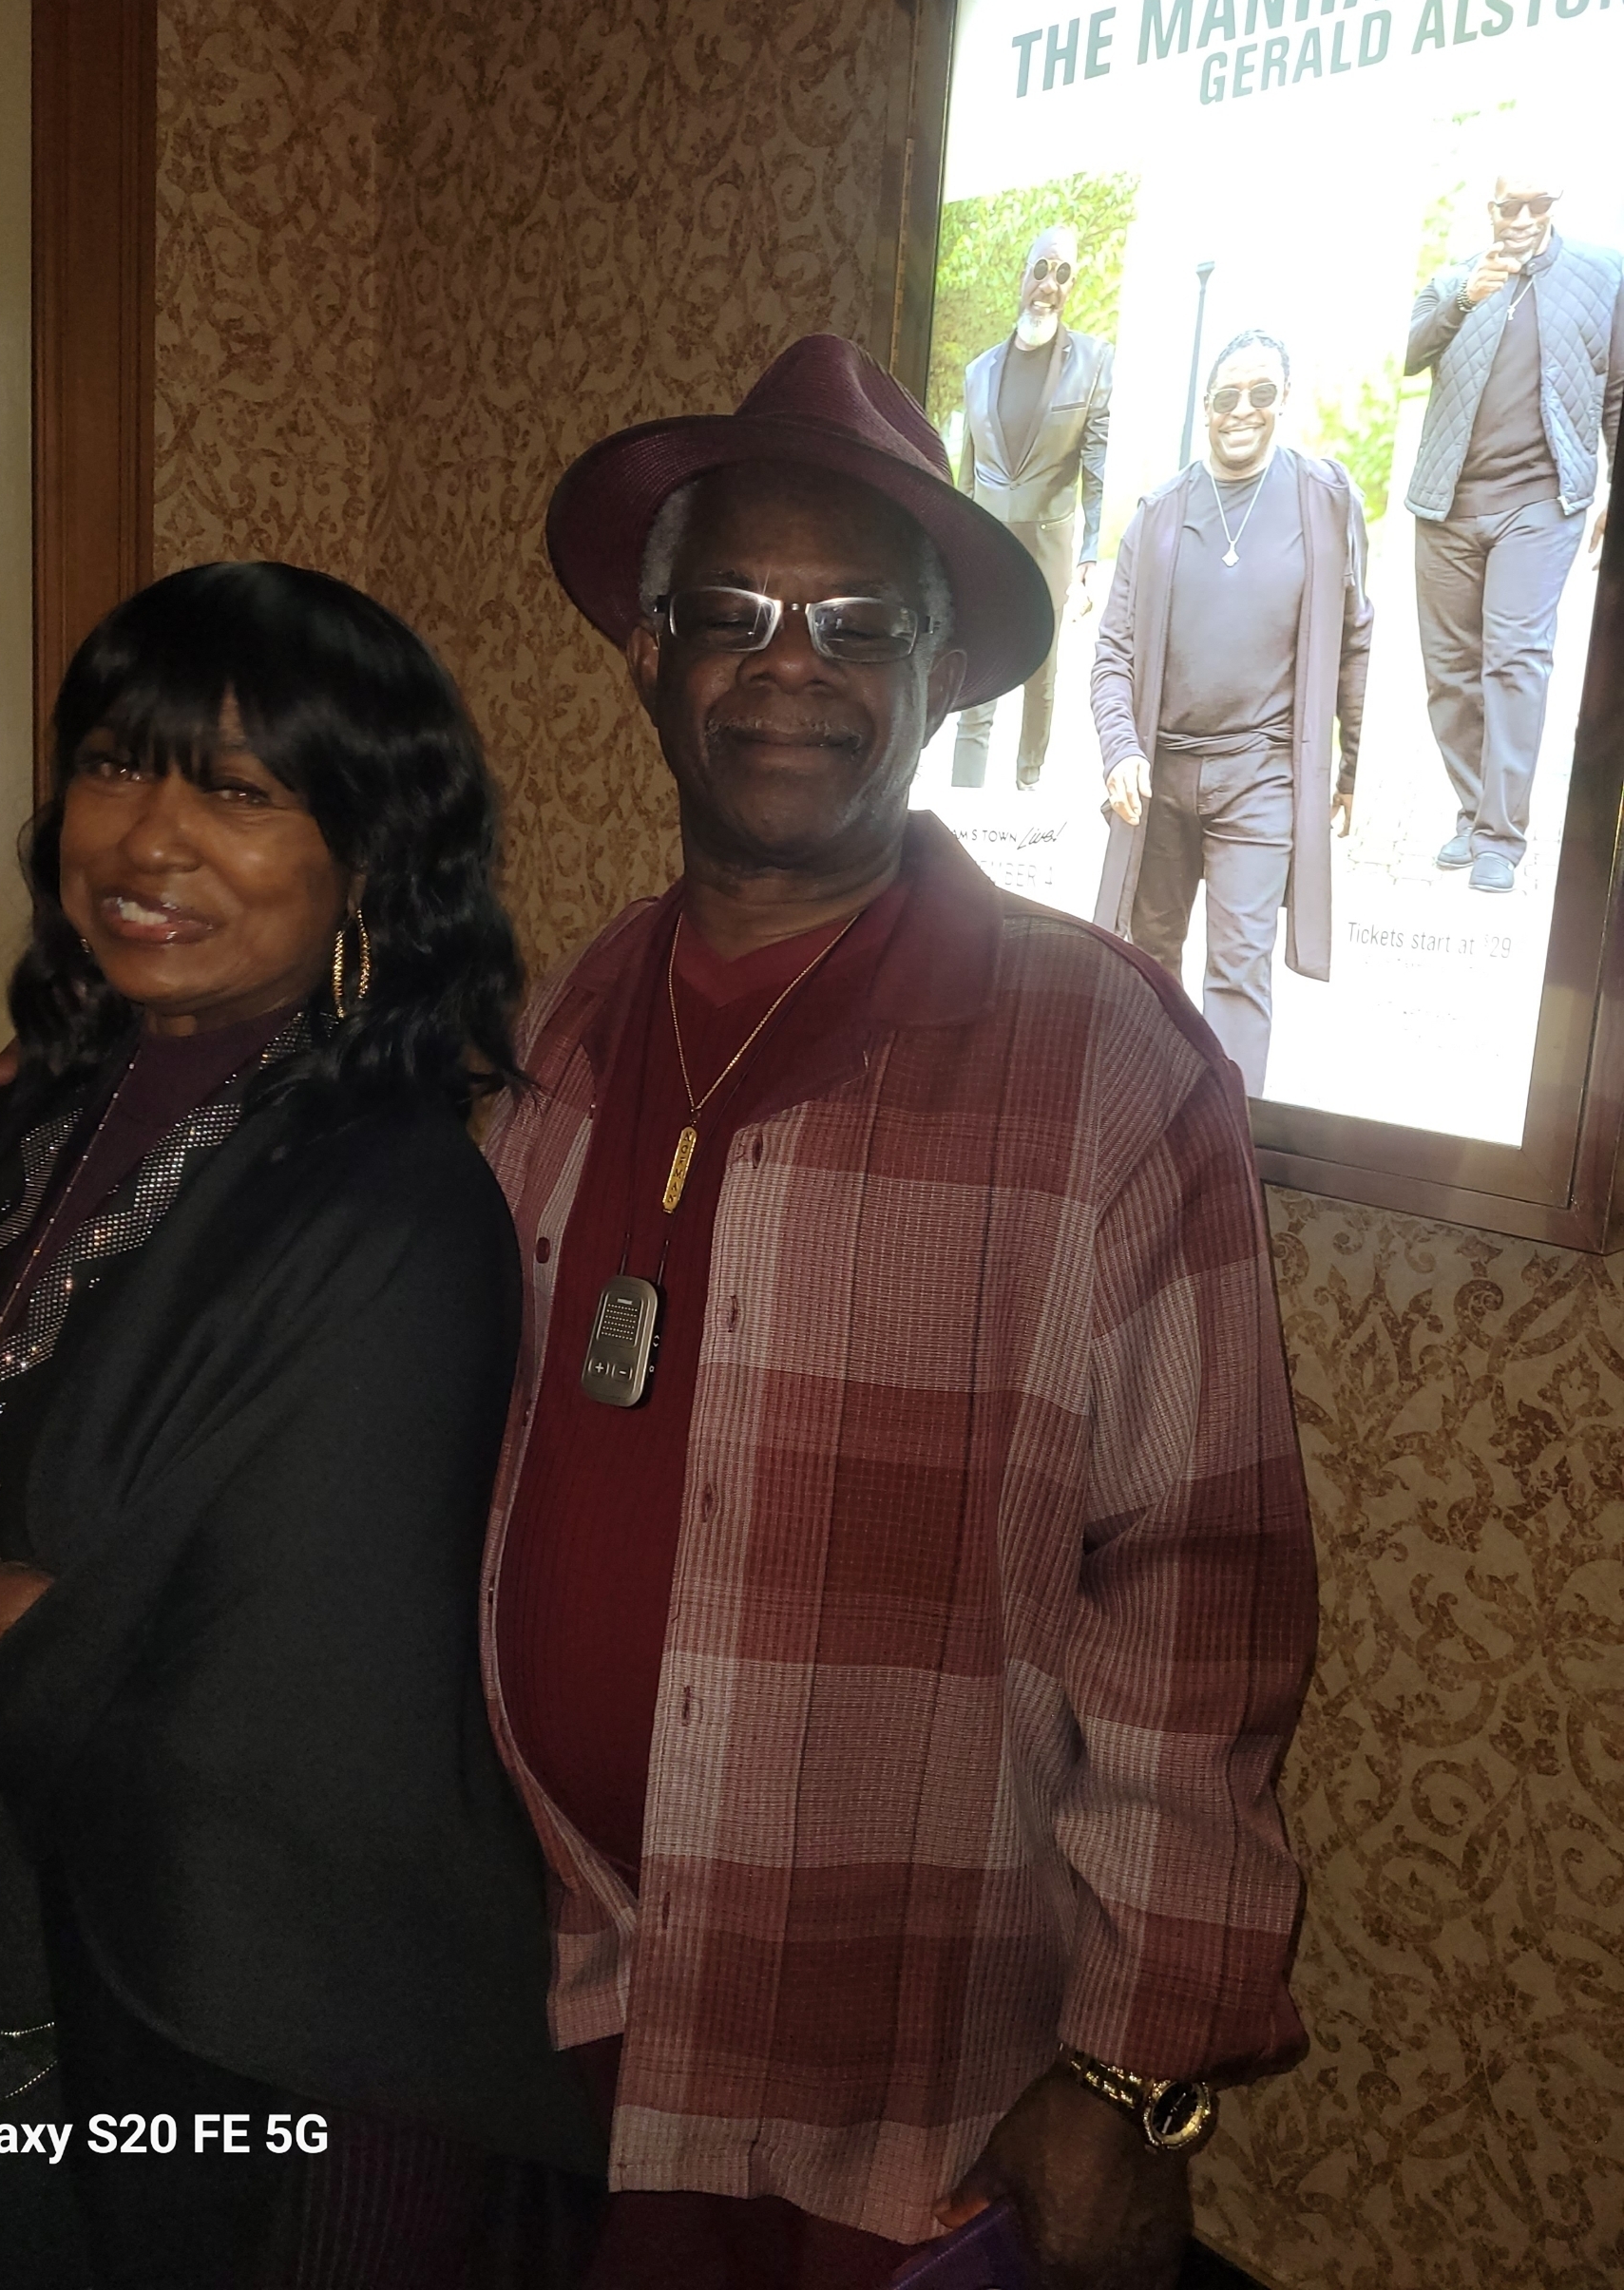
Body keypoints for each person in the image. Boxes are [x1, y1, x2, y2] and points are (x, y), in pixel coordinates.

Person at [482, 335, 1317, 2290]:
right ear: (649, 656)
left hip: (900, 2066)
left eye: (861, 623)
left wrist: (1126, 2073)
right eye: (736, 612)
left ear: (939, 677)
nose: (794, 665)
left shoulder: (1107, 1063)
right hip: (567, 2000)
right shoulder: (567, 1020)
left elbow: (1199, 1596)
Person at [0, 564, 599, 2290]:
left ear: (368, 856)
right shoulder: (31, 1114)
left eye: (237, 791)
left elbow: (240, 1719)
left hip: (276, 2048)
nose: (146, 839)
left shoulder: (395, 1217)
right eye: (113, 764)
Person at [1090, 330, 1371, 1098]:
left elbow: (1355, 638)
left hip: (1262, 773)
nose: (1243, 410)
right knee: (1150, 957)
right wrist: (1121, 749)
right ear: (1206, 407)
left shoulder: (1325, 502)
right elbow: (1113, 650)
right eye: (1227, 396)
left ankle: (1230, 1137)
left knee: (1240, 969)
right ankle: (1152, 1119)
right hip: (1161, 775)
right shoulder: (1159, 515)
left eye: (1261, 393)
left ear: (1284, 400)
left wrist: (1350, 766)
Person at [1405, 164, 1623, 892]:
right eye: (1510, 206)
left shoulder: (1603, 276)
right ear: (1490, 208)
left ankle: (1501, 836)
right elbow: (1406, 354)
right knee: (1450, 672)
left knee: (1515, 660)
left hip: (1541, 502)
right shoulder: (1452, 278)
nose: (1523, 218)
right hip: (1447, 505)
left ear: (1554, 202)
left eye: (1538, 203)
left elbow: (1618, 390)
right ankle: (1473, 814)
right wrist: (1462, 301)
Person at [951, 223, 1112, 790]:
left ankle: (1028, 786)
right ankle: (963, 798)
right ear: (1023, 275)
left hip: (1049, 541)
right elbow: (967, 475)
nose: (1049, 284)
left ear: (1072, 286)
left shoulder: (1094, 361)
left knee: (1041, 675)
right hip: (987, 542)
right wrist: (953, 548)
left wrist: (1090, 554)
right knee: (979, 664)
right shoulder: (978, 372)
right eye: (1042, 268)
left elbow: (1098, 466)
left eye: (1063, 273)